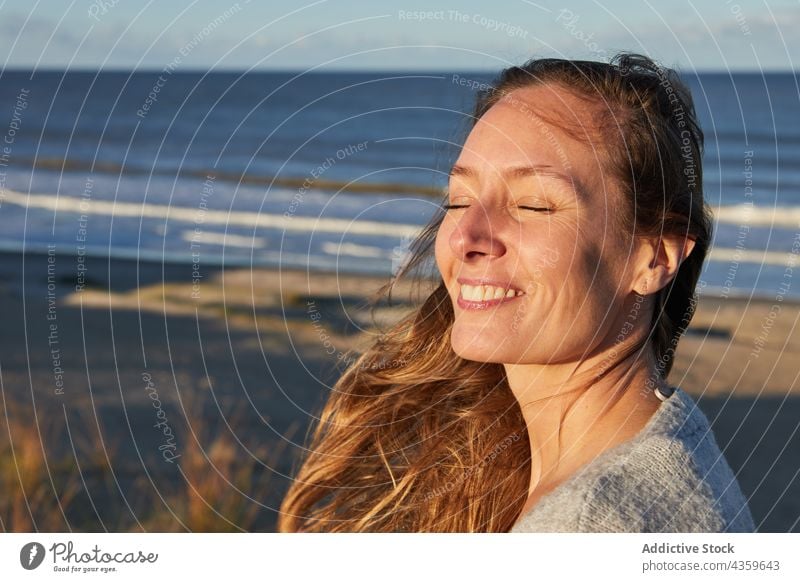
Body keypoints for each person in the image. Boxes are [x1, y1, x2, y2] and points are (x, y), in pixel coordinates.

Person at [278, 53, 755, 533]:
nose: (466, 236)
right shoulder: (656, 443)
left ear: (655, 258)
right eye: (458, 200)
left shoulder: (589, 525)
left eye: (534, 204)